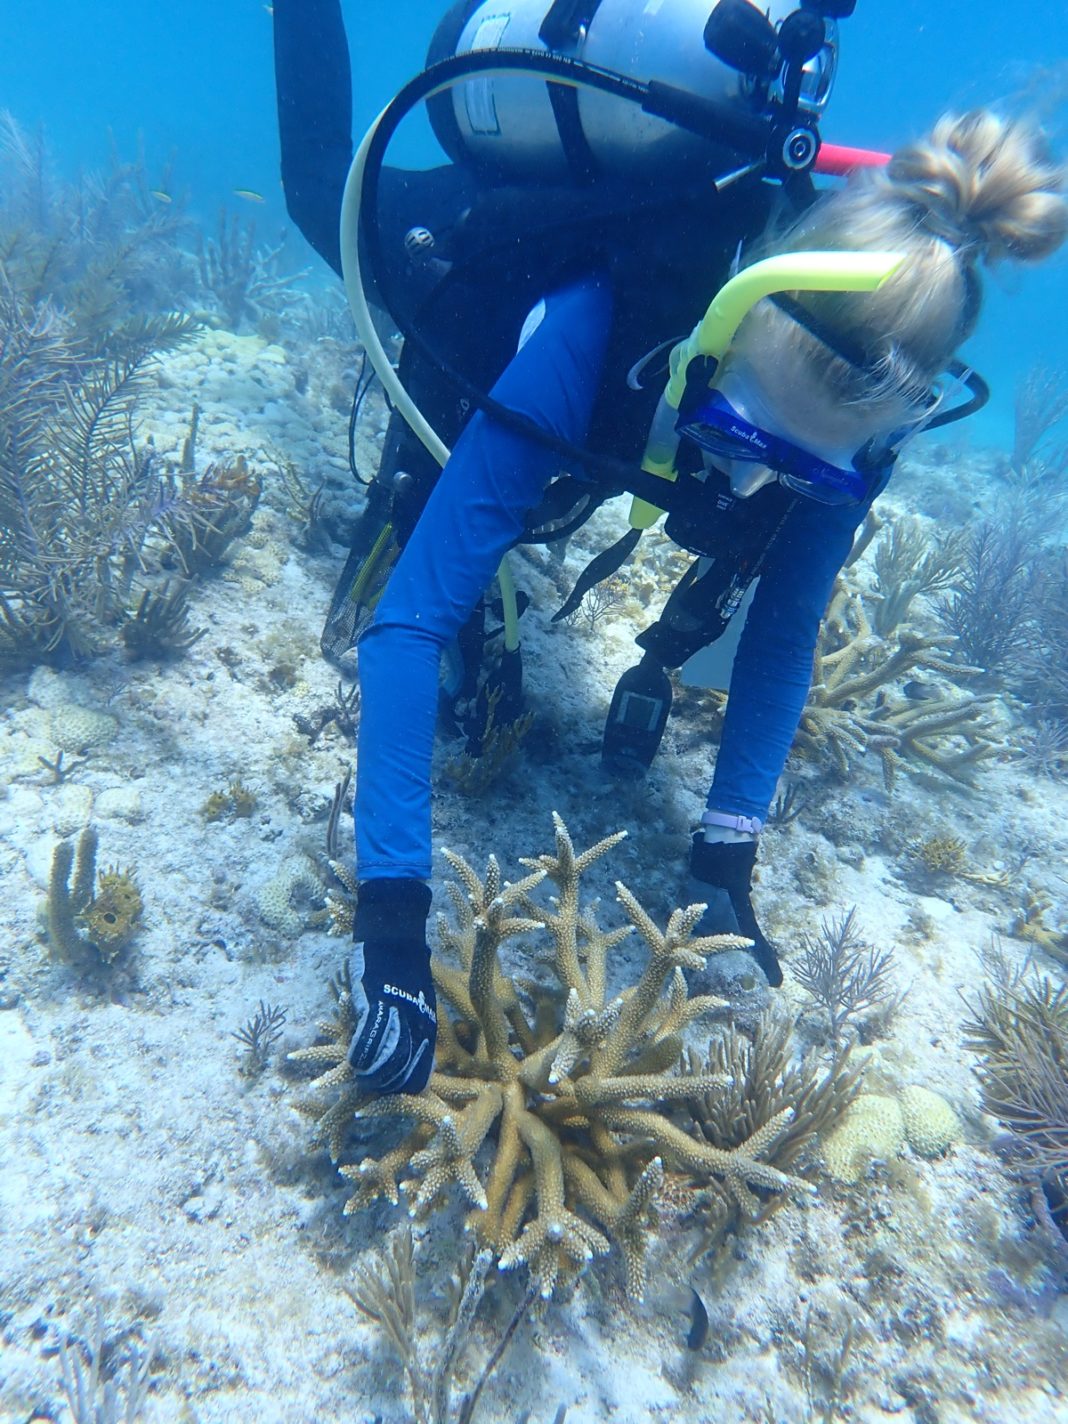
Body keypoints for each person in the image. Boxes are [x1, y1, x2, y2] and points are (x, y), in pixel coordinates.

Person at [273, 1, 1067, 1097]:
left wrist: (728, 856)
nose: (748, 486)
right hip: (484, 283)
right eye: (743, 439)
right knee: (322, 189)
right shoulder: (604, 321)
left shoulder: (849, 429)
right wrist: (394, 926)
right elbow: (405, 628)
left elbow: (783, 634)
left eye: (796, 472)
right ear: (726, 330)